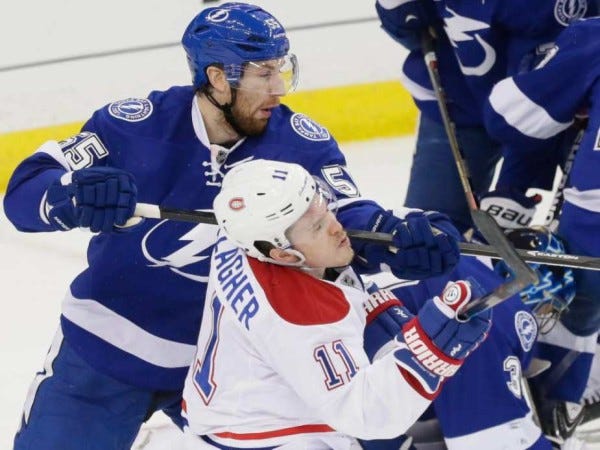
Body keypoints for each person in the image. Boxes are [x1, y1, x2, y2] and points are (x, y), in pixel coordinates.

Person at [3, 3, 461, 449]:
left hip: (237, 364)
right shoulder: (134, 126)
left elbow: (345, 217)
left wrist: (395, 237)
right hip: (109, 349)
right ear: (218, 78)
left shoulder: (301, 144)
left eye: (280, 69)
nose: (279, 88)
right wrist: (70, 194)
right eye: (263, 74)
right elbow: (24, 190)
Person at [181, 158, 491, 449]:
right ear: (284, 254)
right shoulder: (301, 315)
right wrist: (430, 350)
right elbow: (369, 416)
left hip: (233, 404)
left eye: (322, 207)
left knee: (380, 320)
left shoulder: (242, 233)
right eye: (316, 227)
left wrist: (398, 224)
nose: (335, 226)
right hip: (262, 438)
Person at [374, 0, 598, 233]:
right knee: (431, 234)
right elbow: (414, 31)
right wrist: (395, 9)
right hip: (456, 102)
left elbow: (541, 94)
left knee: (585, 230)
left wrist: (511, 186)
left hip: (546, 113)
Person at [483, 17, 600, 447]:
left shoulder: (594, 36)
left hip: (595, 218)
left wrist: (558, 78)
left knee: (575, 304)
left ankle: (557, 404)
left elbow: (510, 119)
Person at [359, 230, 577, 450]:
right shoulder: (501, 313)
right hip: (342, 406)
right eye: (547, 305)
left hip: (341, 373)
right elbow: (490, 435)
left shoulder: (462, 259)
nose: (541, 314)